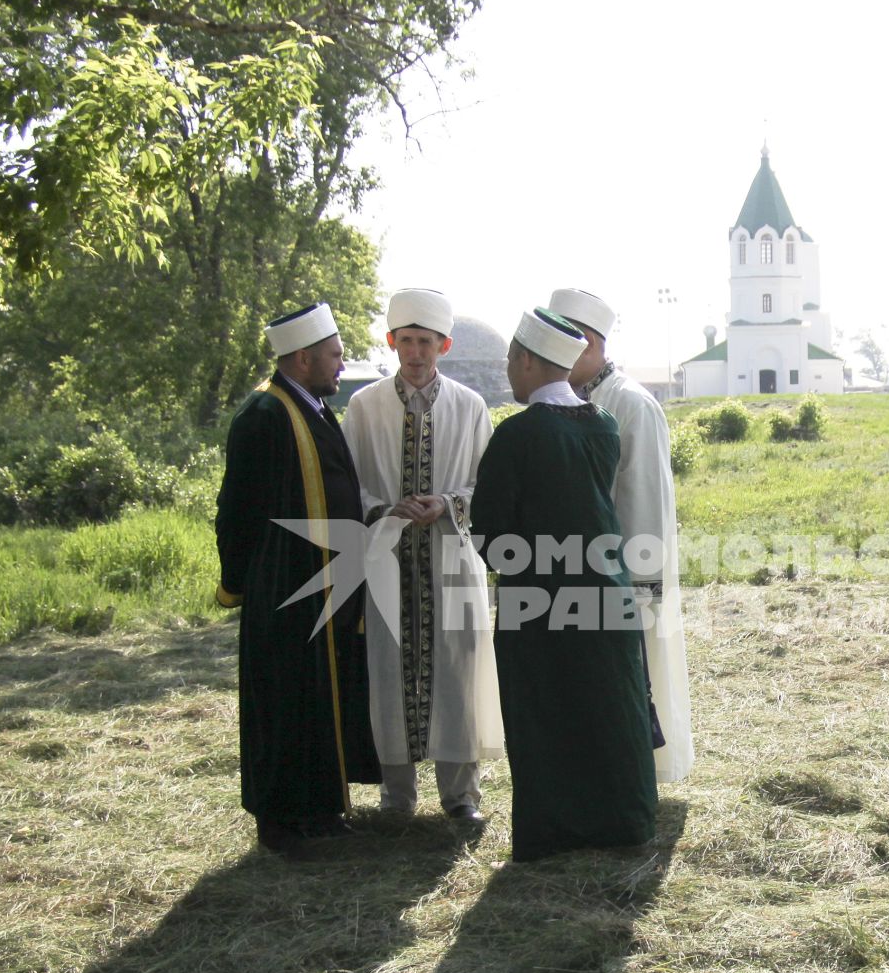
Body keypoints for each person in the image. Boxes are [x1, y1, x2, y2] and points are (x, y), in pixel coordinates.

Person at [469, 308, 659, 861]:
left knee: (547, 712)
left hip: (540, 603)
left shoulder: (519, 433)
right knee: (609, 709)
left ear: (527, 361)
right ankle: (623, 820)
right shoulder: (602, 425)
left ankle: (557, 829)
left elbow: (491, 530)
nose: (508, 371)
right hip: (607, 593)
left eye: (510, 360)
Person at [216, 302, 378, 853]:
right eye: (334, 355)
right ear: (304, 357)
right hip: (285, 589)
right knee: (285, 701)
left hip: (327, 586)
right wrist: (237, 583)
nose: (341, 364)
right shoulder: (263, 413)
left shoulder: (311, 406)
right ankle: (283, 820)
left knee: (317, 698)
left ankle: (320, 808)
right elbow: (236, 509)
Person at [342, 288, 499, 824]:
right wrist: (387, 508)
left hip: (450, 563)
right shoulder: (363, 408)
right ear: (391, 342)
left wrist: (449, 503)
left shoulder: (470, 407)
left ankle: (461, 797)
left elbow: (489, 486)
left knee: (455, 672)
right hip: (386, 564)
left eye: (425, 342)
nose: (415, 352)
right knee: (388, 672)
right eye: (406, 341)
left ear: (444, 345)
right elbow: (350, 487)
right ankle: (397, 798)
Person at [550, 287, 694, 783]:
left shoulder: (631, 403)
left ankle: (636, 777)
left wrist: (637, 589)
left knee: (634, 679)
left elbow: (644, 499)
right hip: (577, 573)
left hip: (623, 580)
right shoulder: (567, 401)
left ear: (589, 342)